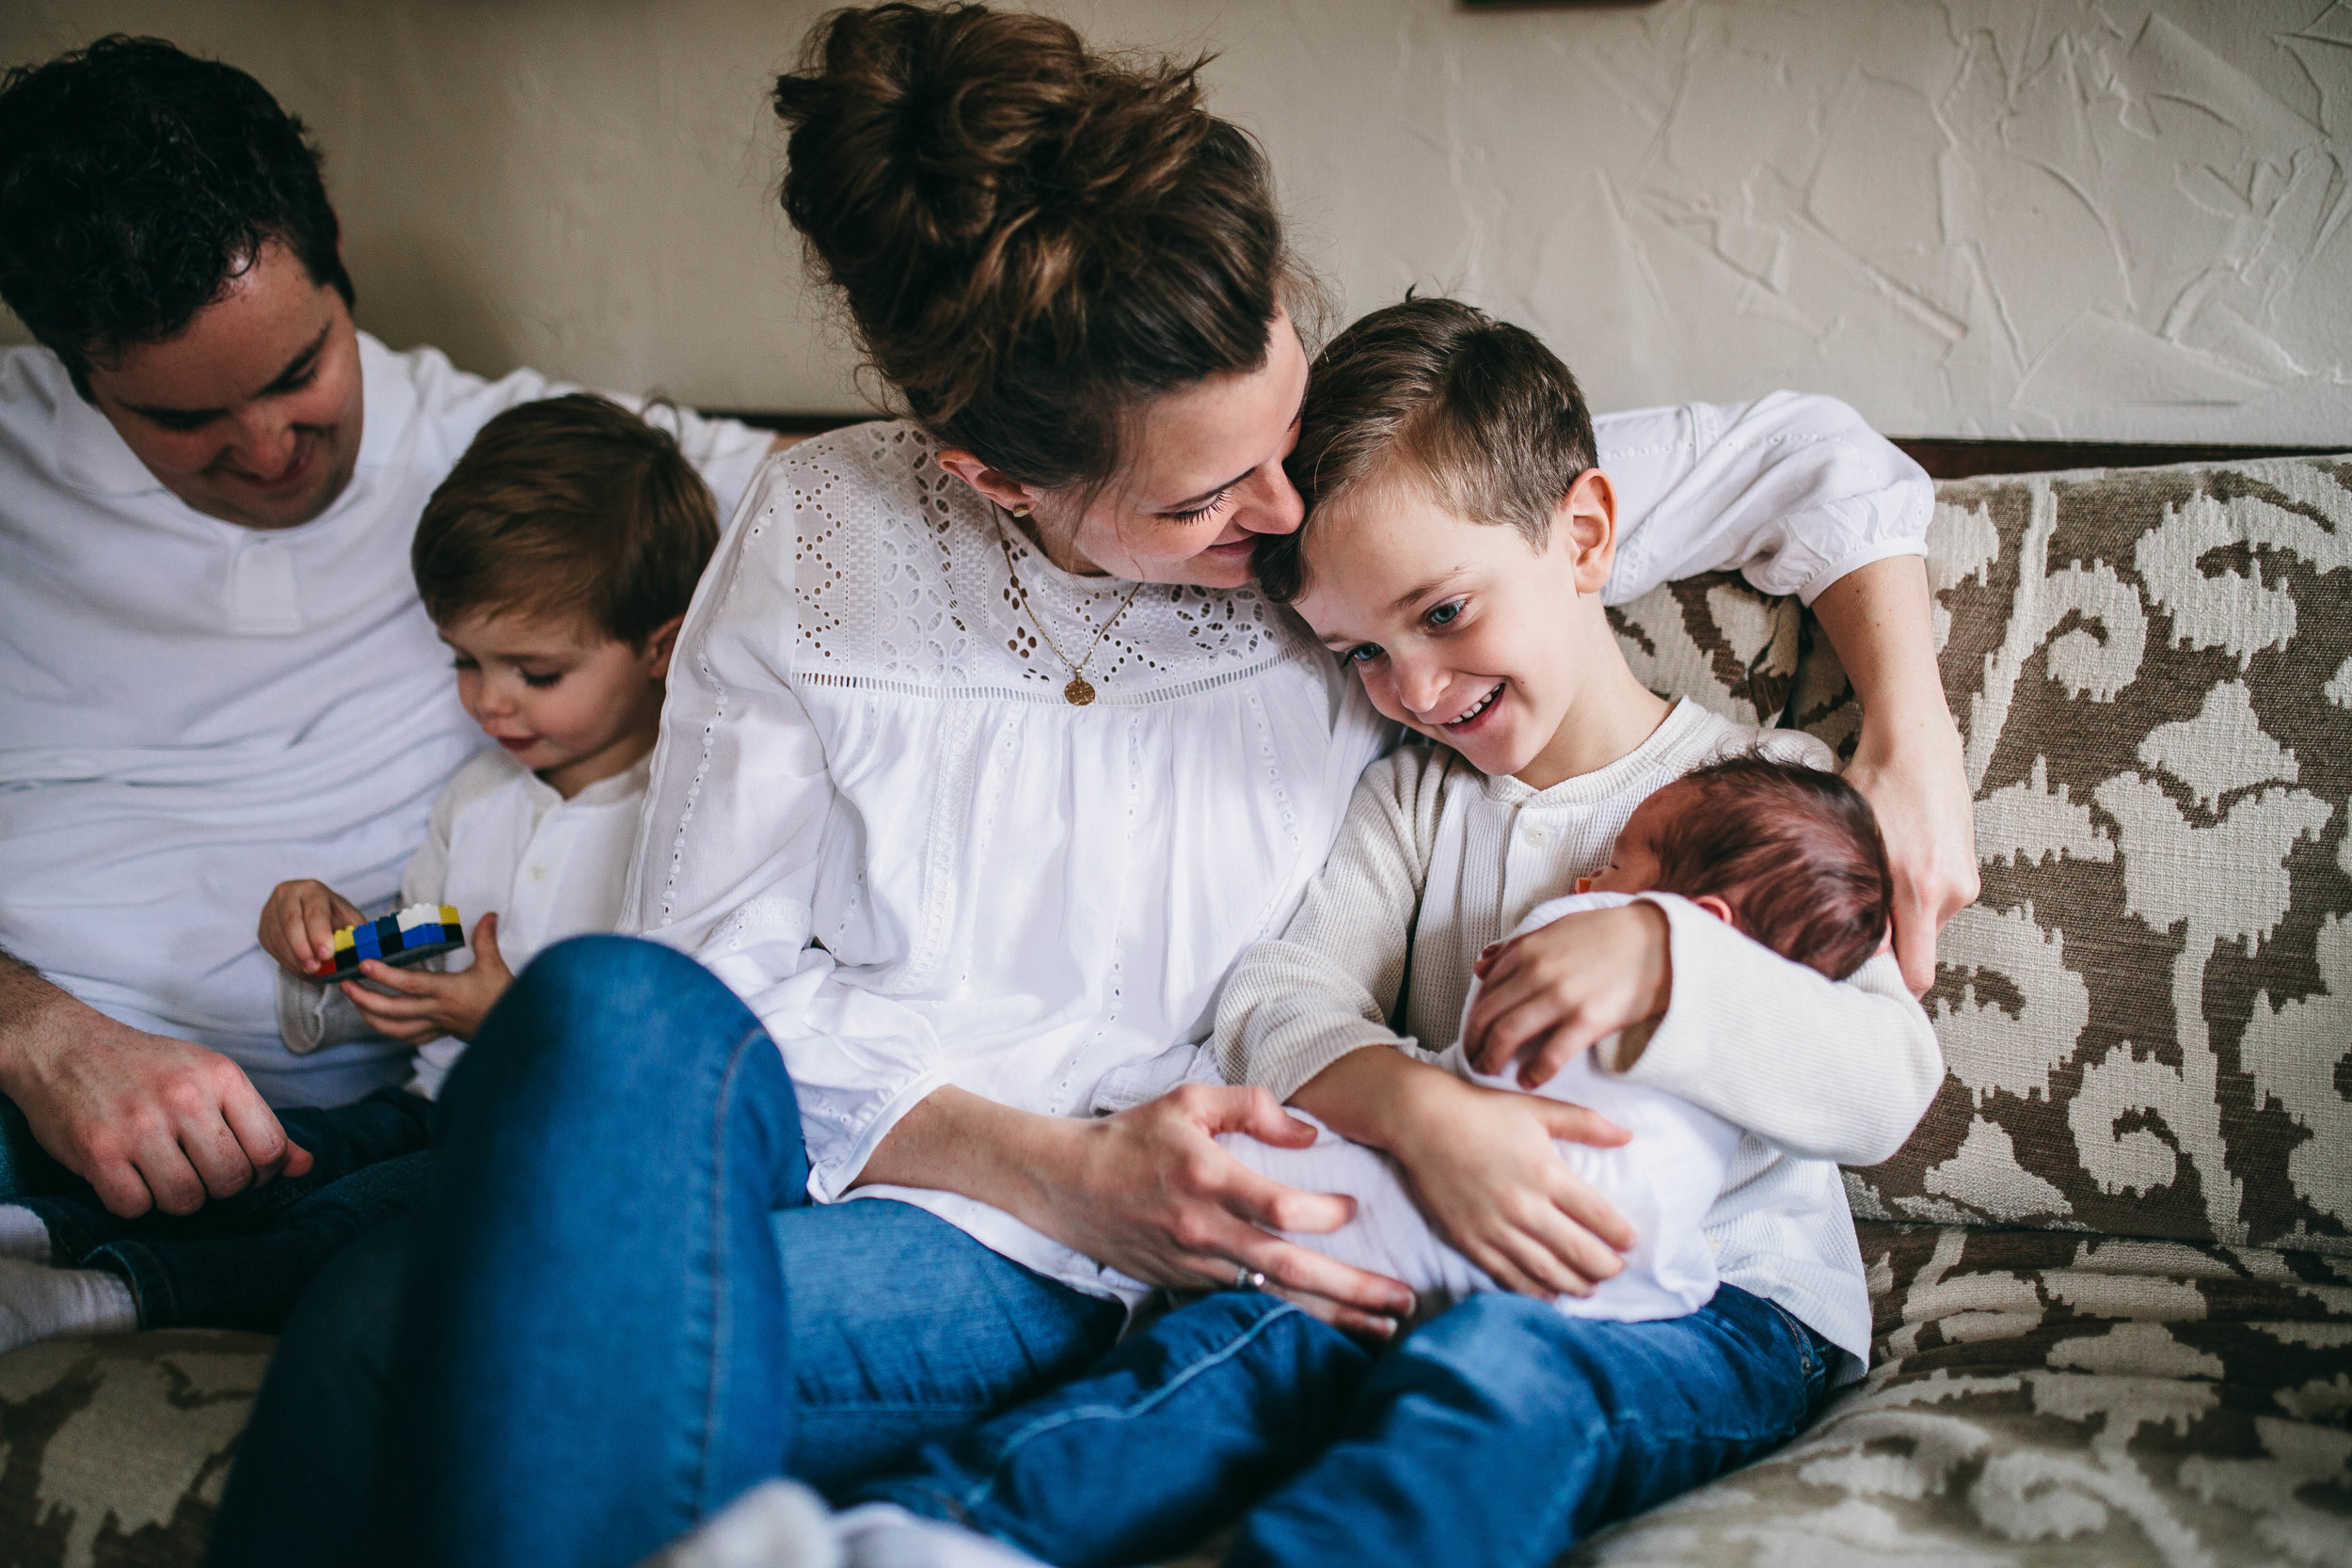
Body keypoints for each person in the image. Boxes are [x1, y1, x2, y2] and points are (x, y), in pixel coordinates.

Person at [210, 8, 1972, 1566]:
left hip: (1206, 1245)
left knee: (387, 1323)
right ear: (993, 476)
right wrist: (1051, 1166)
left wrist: (1906, 735)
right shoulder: (819, 535)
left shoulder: (1366, 523)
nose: (1288, 527)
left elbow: (1796, 460)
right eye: (1206, 503)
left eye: (1287, 430)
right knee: (609, 1005)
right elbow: (732, 988)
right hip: (939, 1185)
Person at [718, 300, 1937, 1568]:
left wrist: (1667, 960)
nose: (1413, 688)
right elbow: (1279, 996)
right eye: (1359, 650)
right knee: (1236, 1344)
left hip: (1715, 1301)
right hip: (1424, 1248)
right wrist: (1417, 1109)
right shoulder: (1415, 794)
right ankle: (927, 1538)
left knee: (1497, 1369)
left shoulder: (1769, 789)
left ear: (1584, 535)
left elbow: (1887, 1080)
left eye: (1445, 613)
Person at [0, 38, 777, 1224]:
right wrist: (40, 1039)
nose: (265, 451)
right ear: (71, 371)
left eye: (300, 368)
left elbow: (861, 493)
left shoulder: (523, 464)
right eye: (182, 417)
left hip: (357, 1128)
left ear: (336, 261)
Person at [0, 393, 722, 1351]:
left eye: (534, 672)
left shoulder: (685, 814)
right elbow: (422, 945)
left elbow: (676, 1056)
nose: (489, 701)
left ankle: (112, 1293)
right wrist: (332, 949)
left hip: (543, 1144)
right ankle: (43, 1230)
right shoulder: (483, 798)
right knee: (290, 1158)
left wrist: (499, 1018)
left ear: (659, 648)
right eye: (464, 660)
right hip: (423, 1104)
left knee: (359, 1224)